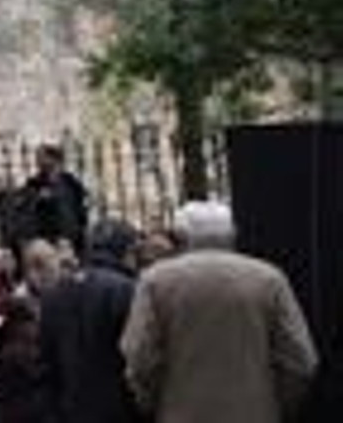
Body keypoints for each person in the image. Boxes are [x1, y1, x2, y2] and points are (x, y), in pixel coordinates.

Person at [120, 202, 318, 423]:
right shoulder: (269, 279)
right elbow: (300, 360)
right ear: (232, 235)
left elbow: (140, 359)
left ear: (181, 236)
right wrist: (275, 404)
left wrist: (156, 403)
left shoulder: (155, 281)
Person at [39, 219, 145, 423]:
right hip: (118, 410)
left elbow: (46, 361)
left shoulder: (55, 292)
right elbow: (137, 355)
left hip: (69, 409)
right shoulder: (128, 289)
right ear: (126, 250)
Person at [17, 146, 89, 254]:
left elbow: (81, 205)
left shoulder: (70, 182)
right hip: (49, 240)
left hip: (73, 238)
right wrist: (38, 198)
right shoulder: (34, 184)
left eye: (42, 157)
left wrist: (79, 228)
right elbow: (26, 208)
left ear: (54, 159)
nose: (38, 161)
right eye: (38, 157)